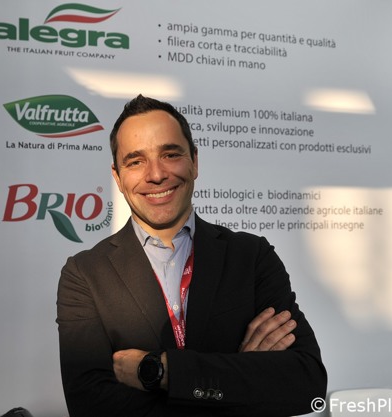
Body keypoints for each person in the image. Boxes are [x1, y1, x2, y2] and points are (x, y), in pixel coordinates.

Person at [56, 95, 327, 416]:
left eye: (170, 154)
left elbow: (306, 383)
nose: (156, 174)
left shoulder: (252, 256)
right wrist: (237, 376)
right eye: (136, 161)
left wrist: (160, 370)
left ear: (194, 162)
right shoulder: (85, 275)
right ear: (117, 177)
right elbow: (90, 407)